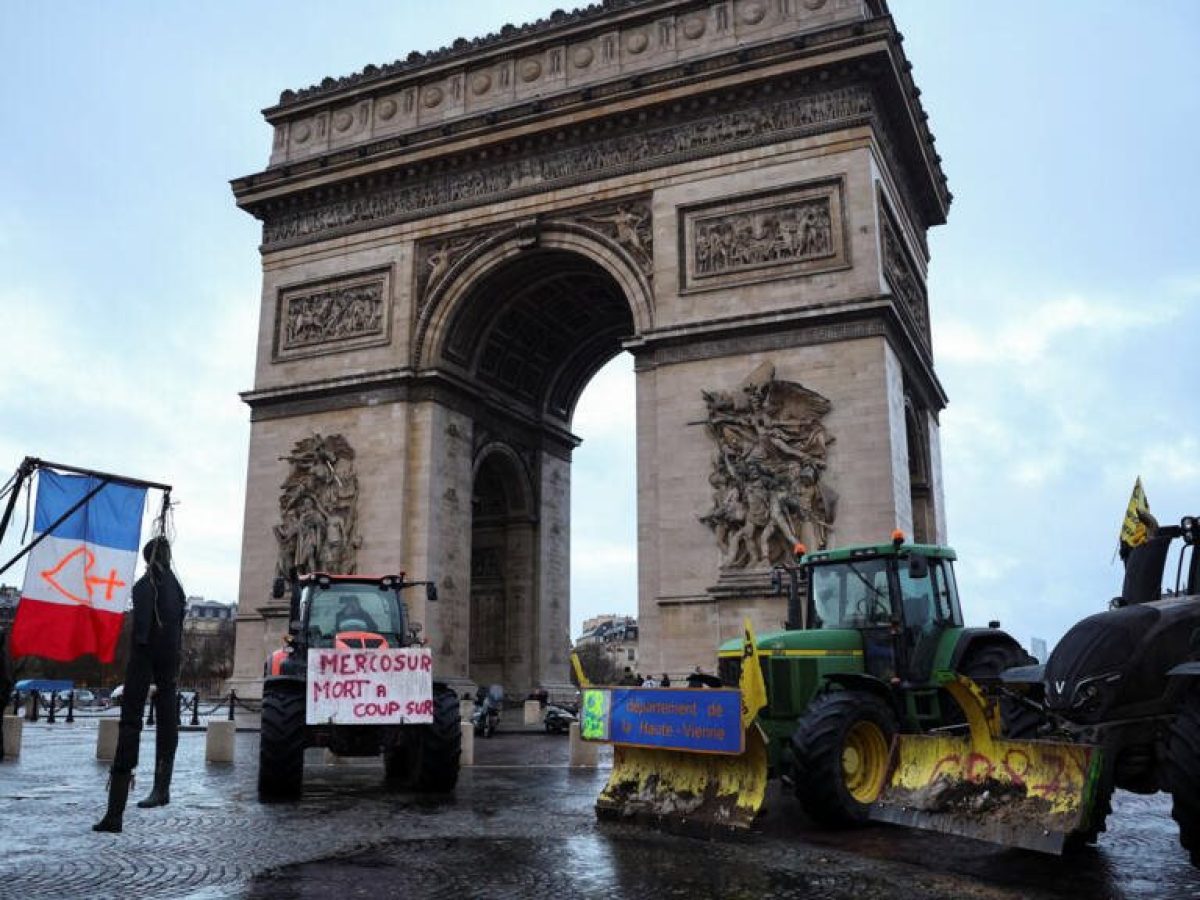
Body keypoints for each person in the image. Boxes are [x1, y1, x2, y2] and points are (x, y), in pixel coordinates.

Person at [94, 536, 187, 832]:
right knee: (168, 716)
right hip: (171, 655)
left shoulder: (146, 586)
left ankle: (115, 812)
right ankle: (162, 787)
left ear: (149, 558)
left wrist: (143, 643)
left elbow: (143, 626)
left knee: (131, 723)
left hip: (145, 655)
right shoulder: (176, 586)